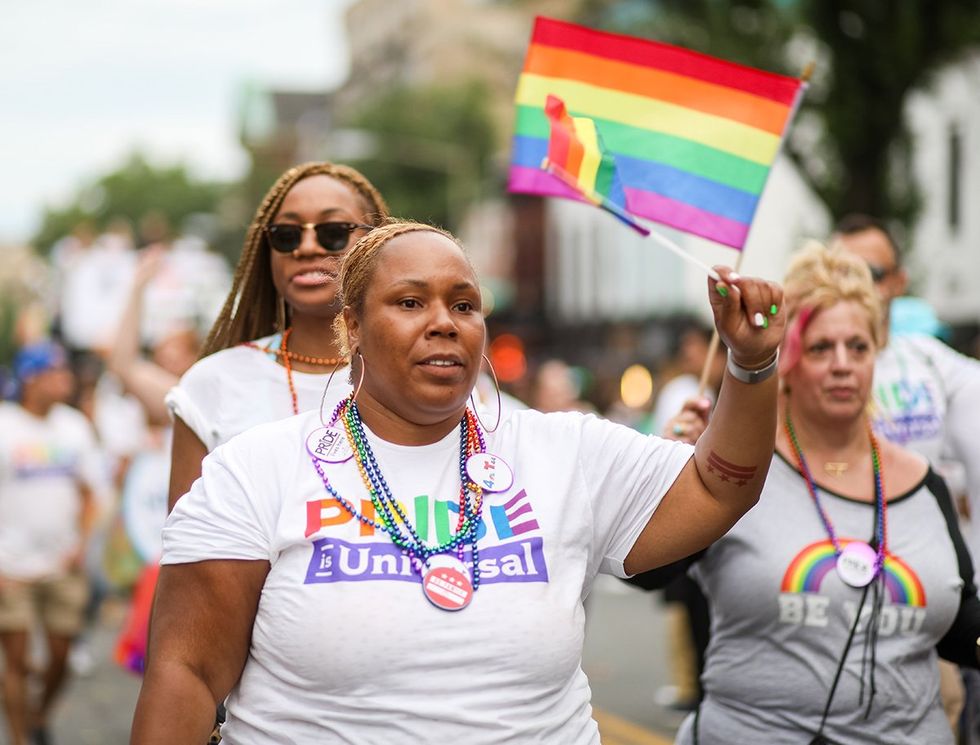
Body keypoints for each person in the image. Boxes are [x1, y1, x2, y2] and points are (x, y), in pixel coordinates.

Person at [131, 220, 784, 743]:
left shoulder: (562, 450)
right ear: (352, 325)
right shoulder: (257, 468)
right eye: (411, 301)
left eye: (464, 303)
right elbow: (184, 673)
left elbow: (720, 487)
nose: (444, 320)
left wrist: (752, 366)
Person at [637, 243, 980, 744]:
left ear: (877, 355)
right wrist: (665, 476)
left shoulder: (923, 483)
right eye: (821, 348)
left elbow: (957, 626)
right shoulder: (737, 471)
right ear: (790, 357)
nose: (843, 364)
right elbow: (649, 572)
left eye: (858, 347)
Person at [165, 161, 390, 511]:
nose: (307, 247)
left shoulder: (418, 375)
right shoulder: (213, 384)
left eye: (333, 231)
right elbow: (187, 553)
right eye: (287, 235)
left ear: (376, 243)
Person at [833, 214, 980, 736]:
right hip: (818, 589)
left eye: (867, 270)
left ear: (898, 280)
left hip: (920, 599)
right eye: (837, 269)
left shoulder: (930, 366)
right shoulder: (798, 364)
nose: (852, 284)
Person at [0, 341, 108, 745]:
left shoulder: (73, 425)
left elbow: (90, 491)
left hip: (63, 564)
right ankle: (19, 738)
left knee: (61, 655)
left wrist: (81, 542)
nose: (65, 376)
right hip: (10, 567)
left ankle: (39, 714)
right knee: (17, 661)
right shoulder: (5, 425)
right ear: (31, 378)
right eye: (55, 370)